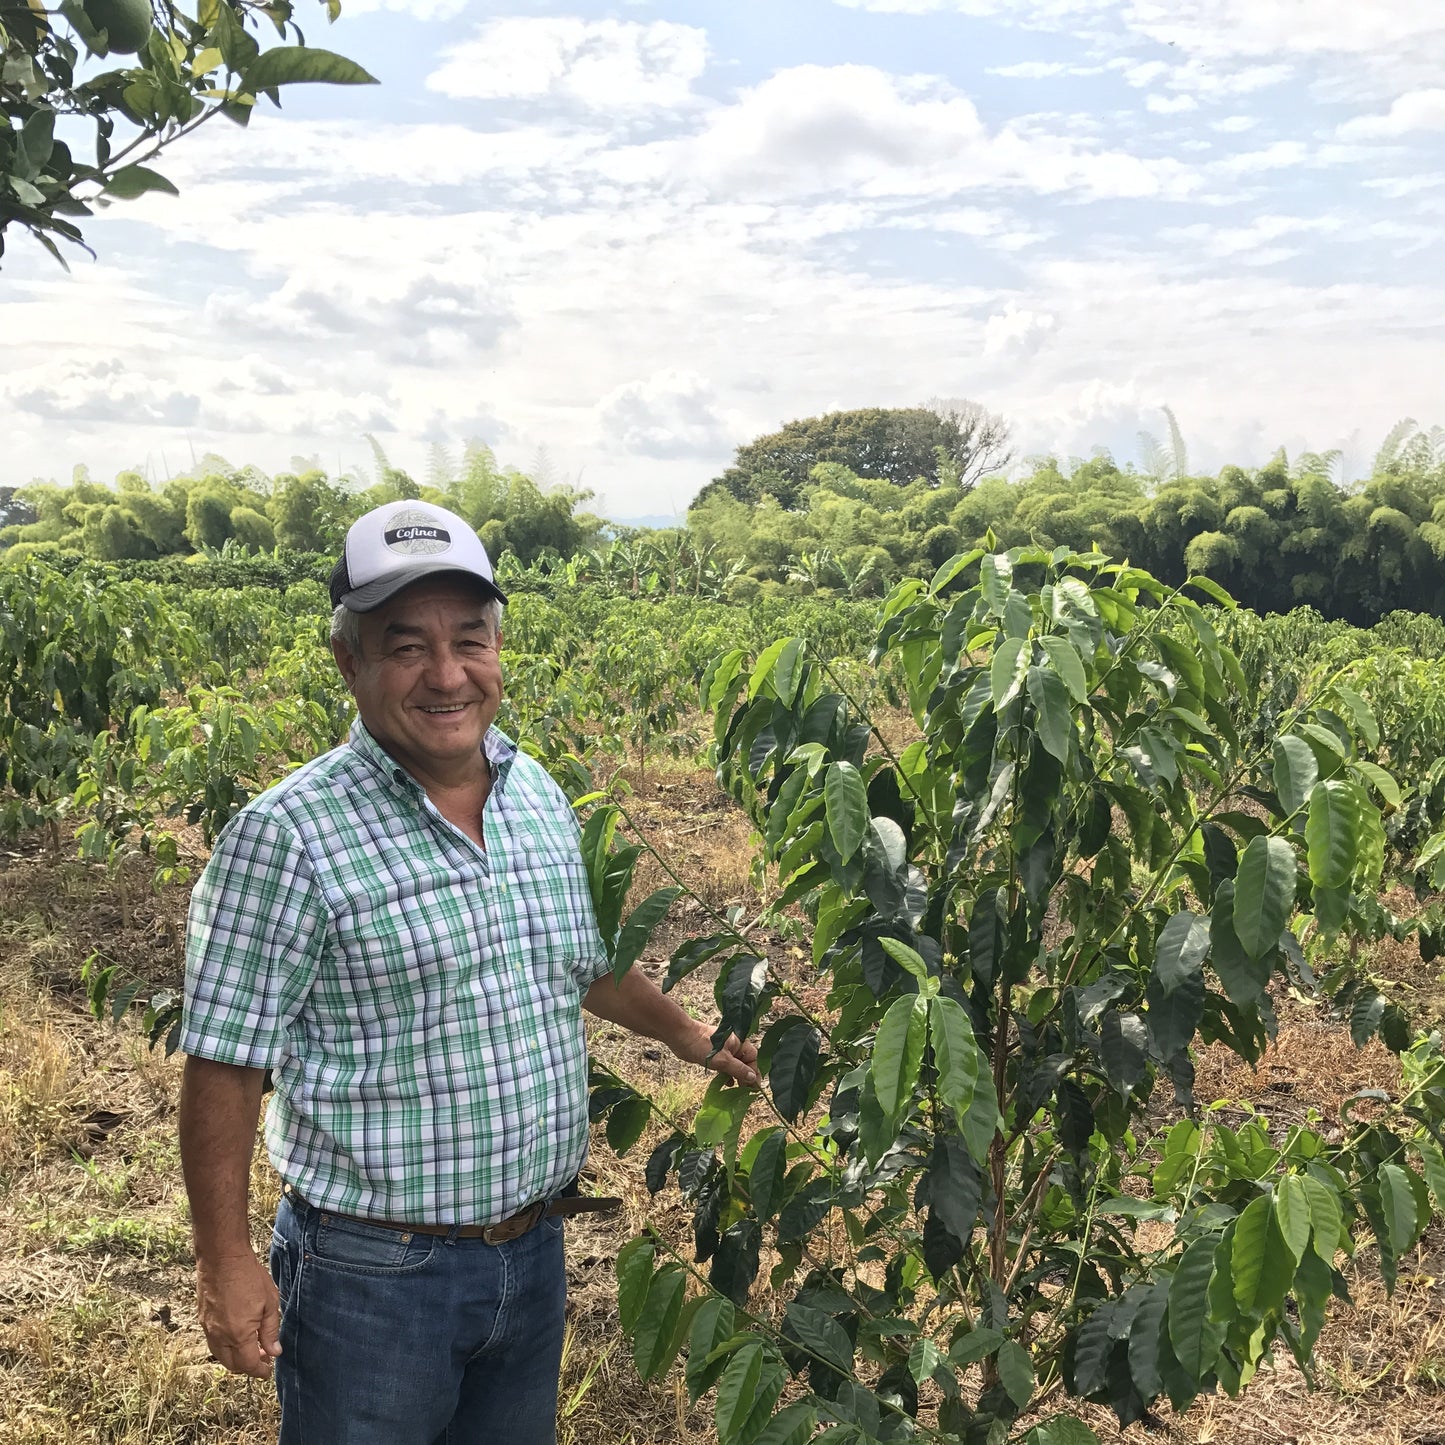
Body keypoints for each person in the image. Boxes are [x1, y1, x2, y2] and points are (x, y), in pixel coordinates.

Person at [177, 500, 759, 1445]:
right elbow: (225, 1062)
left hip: (531, 1253)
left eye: (470, 638)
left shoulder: (532, 790)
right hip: (373, 1275)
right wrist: (224, 1257)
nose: (446, 674)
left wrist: (688, 1034)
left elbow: (579, 962)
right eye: (405, 645)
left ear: (499, 647)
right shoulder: (287, 836)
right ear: (348, 662)